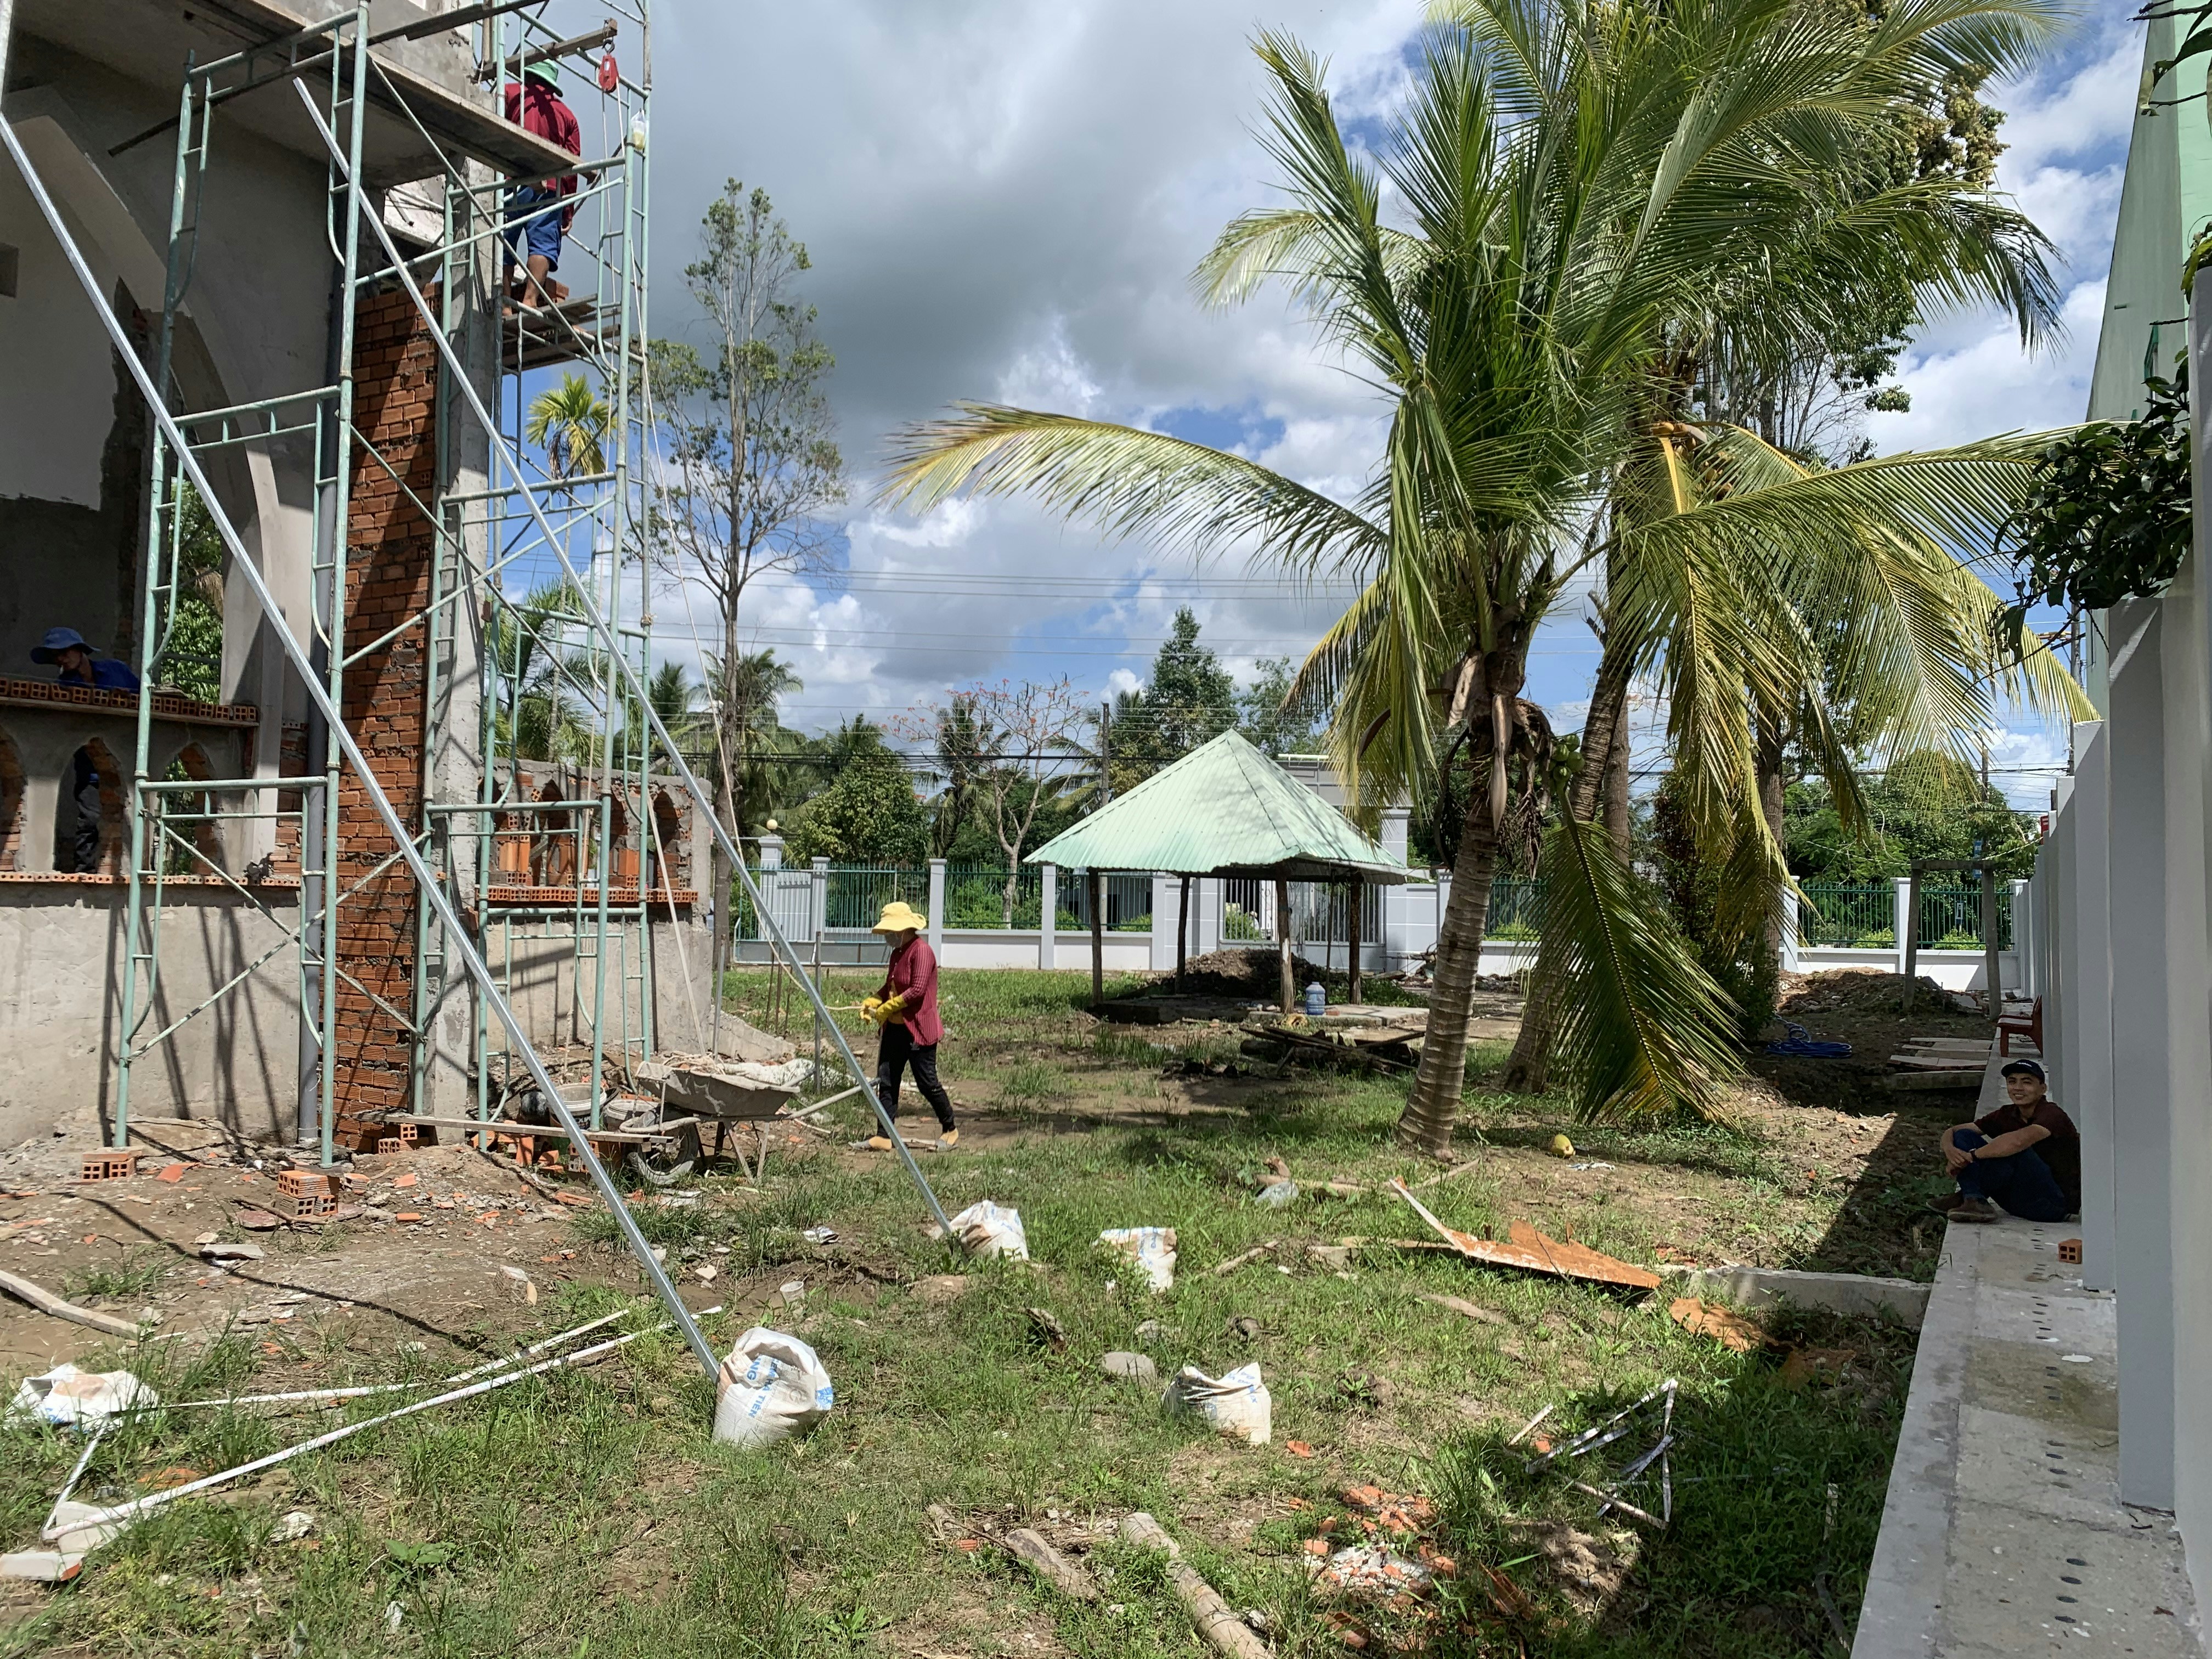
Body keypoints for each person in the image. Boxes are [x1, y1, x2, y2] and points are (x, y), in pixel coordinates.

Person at [32, 628, 139, 874]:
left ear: (80, 650)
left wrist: (127, 700)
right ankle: (86, 874)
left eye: (65, 652)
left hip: (127, 764)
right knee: (90, 821)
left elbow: (144, 700)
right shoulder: (65, 686)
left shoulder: (115, 670)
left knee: (128, 820)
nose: (61, 659)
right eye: (56, 656)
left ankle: (123, 873)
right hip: (91, 769)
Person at [860, 900, 957, 1152]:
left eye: (892, 931)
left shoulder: (922, 951)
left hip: (918, 1029)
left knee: (927, 1082)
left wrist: (889, 1007)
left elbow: (916, 991)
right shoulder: (897, 953)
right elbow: (891, 985)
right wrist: (875, 1000)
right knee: (888, 1079)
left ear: (905, 929)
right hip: (895, 1028)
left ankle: (950, 1129)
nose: (888, 936)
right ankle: (884, 1134)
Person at [1932, 1058, 2080, 1223]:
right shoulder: (2007, 1114)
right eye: (2012, 1082)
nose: (2018, 1088)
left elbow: (2017, 1142)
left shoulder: (2053, 1114)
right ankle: (1973, 1198)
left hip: (2053, 1205)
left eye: (2027, 1082)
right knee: (1964, 1136)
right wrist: (1950, 1150)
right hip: (2016, 1200)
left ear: (2042, 1089)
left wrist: (1971, 1157)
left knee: (2013, 1149)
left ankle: (1967, 1196)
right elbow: (1955, 1131)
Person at [501, 61, 582, 309]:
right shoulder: (568, 116)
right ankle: (530, 300)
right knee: (543, 244)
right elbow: (572, 168)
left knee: (504, 241)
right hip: (548, 190)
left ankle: (504, 303)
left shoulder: (509, 94)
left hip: (512, 182)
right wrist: (567, 211)